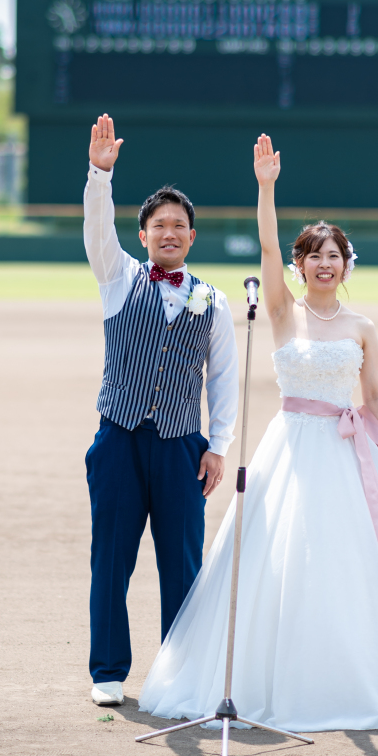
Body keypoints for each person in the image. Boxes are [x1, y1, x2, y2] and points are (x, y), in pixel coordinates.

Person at [139, 133, 378, 731]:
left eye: (334, 255)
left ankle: (360, 679)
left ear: (346, 264)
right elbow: (264, 243)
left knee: (349, 564)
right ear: (301, 265)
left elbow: (376, 396)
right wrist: (266, 188)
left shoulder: (363, 327)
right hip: (292, 447)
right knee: (279, 558)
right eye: (314, 256)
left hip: (348, 452)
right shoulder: (283, 312)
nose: (324, 264)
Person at [83, 114, 238, 706]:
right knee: (112, 560)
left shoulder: (213, 300)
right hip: (119, 438)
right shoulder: (118, 278)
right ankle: (108, 673)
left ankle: (179, 676)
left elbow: (223, 376)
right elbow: (98, 231)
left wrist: (218, 444)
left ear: (192, 237)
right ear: (142, 234)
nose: (168, 232)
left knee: (182, 567)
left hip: (180, 446)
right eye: (158, 225)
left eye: (179, 225)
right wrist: (101, 175)